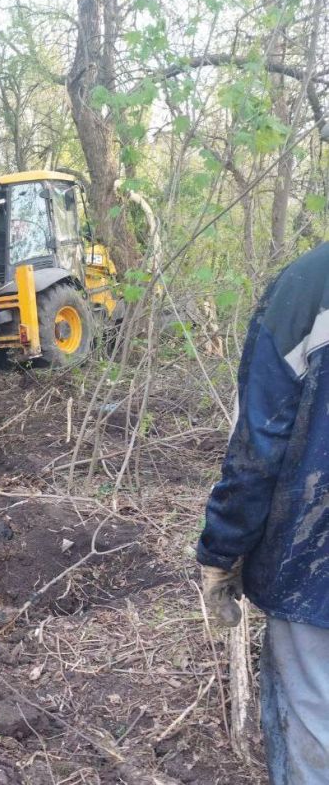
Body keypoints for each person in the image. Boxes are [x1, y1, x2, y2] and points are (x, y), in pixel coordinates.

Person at [197, 240, 329, 784]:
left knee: (314, 732)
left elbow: (258, 444)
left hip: (314, 572)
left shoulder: (310, 283)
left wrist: (222, 551)